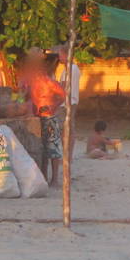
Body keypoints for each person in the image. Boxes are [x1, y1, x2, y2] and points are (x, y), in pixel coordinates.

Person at [28, 50, 66, 186]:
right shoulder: (32, 83)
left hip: (49, 117)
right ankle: (43, 176)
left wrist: (53, 106)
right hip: (36, 118)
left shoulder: (50, 83)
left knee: (53, 149)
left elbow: (63, 95)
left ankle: (55, 178)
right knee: (42, 149)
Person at [57, 45, 81, 156]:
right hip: (66, 103)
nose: (59, 57)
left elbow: (63, 87)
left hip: (68, 103)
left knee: (68, 130)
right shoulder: (66, 69)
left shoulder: (72, 69)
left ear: (67, 55)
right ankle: (67, 155)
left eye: (60, 55)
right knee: (65, 130)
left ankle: (68, 156)